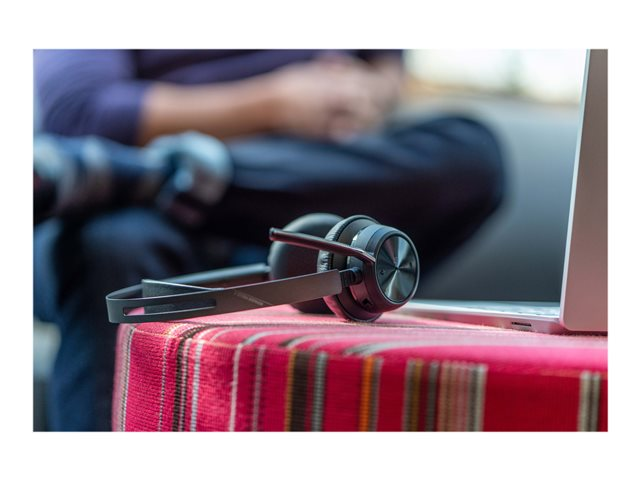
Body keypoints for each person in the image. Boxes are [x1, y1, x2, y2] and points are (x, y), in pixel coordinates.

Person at [33, 49, 504, 430]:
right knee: (106, 245)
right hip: (143, 225)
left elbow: (385, 66)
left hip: (311, 202)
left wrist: (363, 95)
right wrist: (272, 103)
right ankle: (173, 176)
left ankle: (159, 175)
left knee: (472, 154)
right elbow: (78, 112)